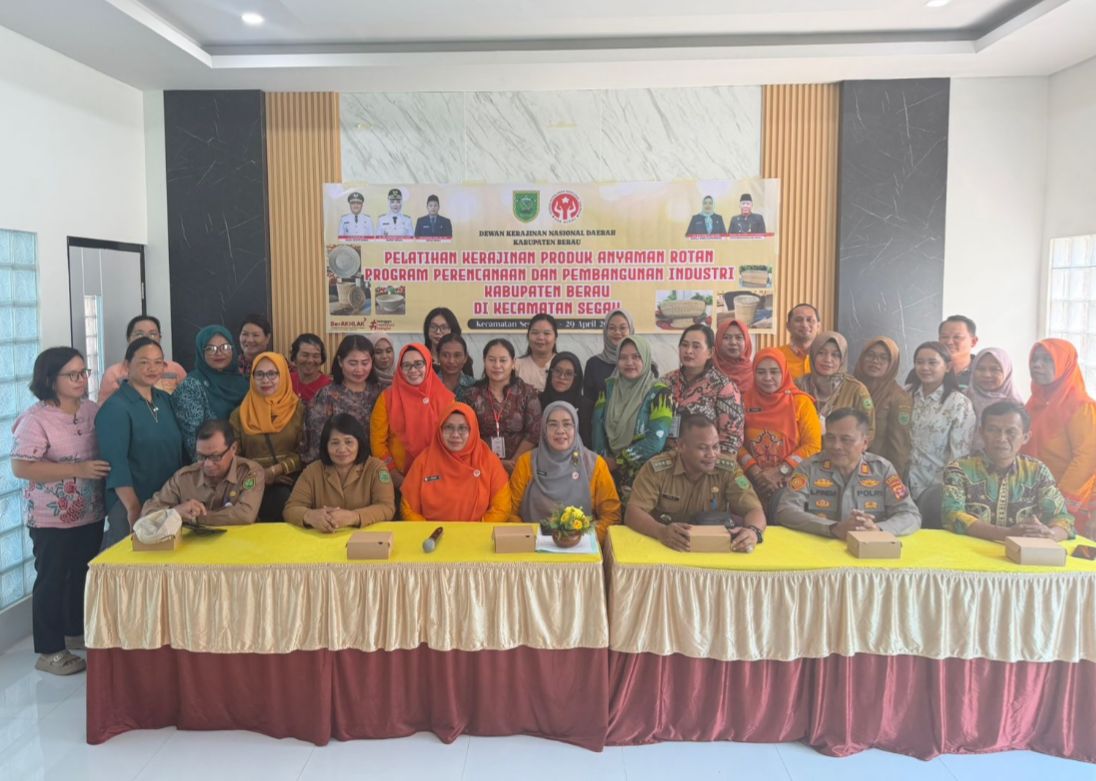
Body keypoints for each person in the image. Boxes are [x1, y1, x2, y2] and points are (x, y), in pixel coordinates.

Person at [12, 347, 108, 676]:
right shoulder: (36, 419)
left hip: (90, 511)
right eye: (72, 375)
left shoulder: (92, 411)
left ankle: (74, 631)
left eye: (84, 372)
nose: (81, 380)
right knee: (52, 578)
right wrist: (77, 470)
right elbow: (22, 467)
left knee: (81, 573)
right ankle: (50, 650)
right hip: (51, 517)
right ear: (51, 379)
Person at [625, 415, 766, 553]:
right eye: (703, 448)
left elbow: (754, 509)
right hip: (664, 547)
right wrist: (661, 531)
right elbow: (633, 512)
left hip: (711, 549)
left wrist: (753, 532)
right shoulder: (657, 469)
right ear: (681, 446)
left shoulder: (728, 469)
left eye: (716, 446)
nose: (711, 454)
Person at [96, 337, 186, 548]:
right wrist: (133, 508)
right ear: (127, 365)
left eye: (158, 362)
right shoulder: (115, 408)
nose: (152, 368)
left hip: (166, 500)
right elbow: (115, 464)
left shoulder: (164, 399)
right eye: (144, 362)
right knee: (132, 561)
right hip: (132, 504)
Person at [776, 408, 921, 538]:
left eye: (846, 440)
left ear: (865, 443)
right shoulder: (809, 467)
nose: (836, 446)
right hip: (818, 549)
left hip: (869, 550)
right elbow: (786, 510)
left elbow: (910, 515)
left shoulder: (882, 470)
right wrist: (832, 528)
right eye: (830, 438)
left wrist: (878, 529)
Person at [943, 401, 1074, 542]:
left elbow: (1063, 518)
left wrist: (1050, 534)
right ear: (981, 433)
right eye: (993, 430)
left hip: (1024, 552)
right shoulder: (959, 469)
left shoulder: (1037, 472)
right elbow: (952, 515)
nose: (1001, 439)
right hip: (969, 550)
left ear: (1025, 437)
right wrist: (1006, 534)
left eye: (1011, 432)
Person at [510, 402, 620, 542]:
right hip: (533, 544)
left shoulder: (594, 464)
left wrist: (581, 538)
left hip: (580, 546)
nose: (560, 430)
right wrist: (531, 538)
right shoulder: (526, 463)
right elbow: (510, 511)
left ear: (576, 428)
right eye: (553, 424)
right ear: (544, 429)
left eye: (567, 424)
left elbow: (612, 516)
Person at [1023, 339, 1096, 535]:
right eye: (1034, 359)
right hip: (1033, 495)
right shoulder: (1035, 402)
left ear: (1065, 364)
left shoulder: (1081, 406)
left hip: (1063, 503)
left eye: (1047, 359)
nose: (1037, 364)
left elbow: (1086, 459)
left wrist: (1056, 500)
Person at [738, 348, 822, 510]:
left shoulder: (801, 403)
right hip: (751, 482)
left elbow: (813, 445)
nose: (767, 378)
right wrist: (756, 472)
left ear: (784, 371)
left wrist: (781, 471)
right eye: (761, 372)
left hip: (793, 482)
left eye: (774, 372)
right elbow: (735, 442)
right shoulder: (743, 401)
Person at [401, 402, 511, 522]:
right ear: (440, 429)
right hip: (433, 533)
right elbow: (409, 509)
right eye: (449, 427)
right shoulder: (424, 461)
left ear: (473, 430)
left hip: (477, 532)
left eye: (462, 428)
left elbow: (501, 508)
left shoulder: (489, 461)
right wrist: (428, 531)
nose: (455, 435)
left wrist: (477, 531)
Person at [906, 341, 976, 526]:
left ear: (948, 367)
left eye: (932, 362)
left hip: (936, 489)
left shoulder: (959, 403)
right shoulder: (906, 394)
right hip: (901, 484)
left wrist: (947, 489)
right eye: (920, 362)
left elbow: (959, 455)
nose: (925, 367)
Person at [284, 414, 396, 530]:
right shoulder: (313, 471)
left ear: (359, 443)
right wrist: (310, 516)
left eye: (348, 442)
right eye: (335, 443)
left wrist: (354, 517)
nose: (342, 449)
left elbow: (387, 508)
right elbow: (291, 509)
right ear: (326, 446)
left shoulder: (376, 468)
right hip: (323, 538)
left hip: (365, 537)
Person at [142, 420, 264, 525]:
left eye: (215, 457)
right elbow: (147, 514)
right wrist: (176, 512)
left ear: (233, 448)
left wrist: (194, 517)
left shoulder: (250, 472)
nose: (207, 464)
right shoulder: (183, 478)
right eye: (201, 457)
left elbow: (245, 515)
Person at [591, 335, 673, 490]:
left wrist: (618, 462)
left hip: (646, 478)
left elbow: (655, 442)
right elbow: (597, 427)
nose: (629, 363)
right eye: (623, 357)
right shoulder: (608, 388)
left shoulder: (660, 393)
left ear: (646, 359)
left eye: (636, 357)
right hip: (607, 473)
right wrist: (603, 462)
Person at [229, 352, 303, 521]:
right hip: (251, 483)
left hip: (291, 481)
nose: (265, 380)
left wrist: (275, 470)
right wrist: (260, 474)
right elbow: (233, 457)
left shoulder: (297, 409)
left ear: (283, 375)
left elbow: (305, 452)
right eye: (260, 374)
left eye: (272, 374)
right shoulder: (239, 414)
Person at [370, 342, 455, 488]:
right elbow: (377, 443)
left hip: (439, 477)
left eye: (418, 364)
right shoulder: (387, 398)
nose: (413, 370)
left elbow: (453, 439)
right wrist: (396, 477)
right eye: (406, 365)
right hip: (398, 479)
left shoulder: (446, 399)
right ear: (399, 368)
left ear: (428, 364)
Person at [463, 339, 541, 473]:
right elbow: (466, 433)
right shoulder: (471, 395)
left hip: (520, 465)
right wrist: (495, 463)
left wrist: (514, 461)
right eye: (491, 360)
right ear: (484, 361)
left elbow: (534, 433)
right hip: (482, 465)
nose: (497, 365)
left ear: (513, 363)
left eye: (503, 360)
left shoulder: (527, 393)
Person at [664, 324, 744, 455]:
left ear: (710, 352)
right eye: (684, 345)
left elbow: (731, 440)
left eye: (696, 346)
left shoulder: (723, 386)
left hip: (706, 461)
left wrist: (712, 463)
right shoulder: (666, 381)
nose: (688, 351)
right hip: (667, 459)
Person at [172, 325, 250, 459]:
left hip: (246, 462)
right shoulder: (191, 386)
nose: (219, 353)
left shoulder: (243, 383)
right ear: (200, 352)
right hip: (210, 464)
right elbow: (193, 442)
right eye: (210, 348)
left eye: (225, 347)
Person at [303, 335, 381, 464]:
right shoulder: (327, 395)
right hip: (336, 466)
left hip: (373, 466)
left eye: (365, 363)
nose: (359, 369)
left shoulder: (379, 393)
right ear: (340, 361)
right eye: (353, 363)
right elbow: (317, 442)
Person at [796, 331, 875, 438]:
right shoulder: (799, 385)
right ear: (813, 354)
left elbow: (869, 429)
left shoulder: (856, 390)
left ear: (842, 359)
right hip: (805, 447)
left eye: (835, 355)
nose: (828, 359)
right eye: (821, 353)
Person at [853, 337, 913, 479]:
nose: (875, 361)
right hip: (846, 469)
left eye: (883, 358)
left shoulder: (898, 398)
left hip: (877, 474)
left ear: (892, 363)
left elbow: (899, 447)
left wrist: (893, 481)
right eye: (870, 355)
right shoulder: (850, 388)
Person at [98, 314, 187, 403]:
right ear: (128, 338)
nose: (146, 338)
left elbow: (186, 402)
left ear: (160, 338)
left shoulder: (176, 369)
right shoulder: (113, 373)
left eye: (152, 334)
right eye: (139, 334)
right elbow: (105, 407)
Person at [965, 348, 1024, 453]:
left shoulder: (1015, 405)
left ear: (1006, 371)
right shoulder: (962, 399)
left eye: (994, 369)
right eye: (981, 369)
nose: (987, 374)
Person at [539, 352, 594, 445]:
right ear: (551, 373)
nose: (562, 377)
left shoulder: (586, 407)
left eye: (569, 373)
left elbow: (588, 443)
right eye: (557, 371)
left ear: (576, 378)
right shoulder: (537, 401)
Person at [583, 309, 634, 403]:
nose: (617, 332)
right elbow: (588, 402)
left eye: (622, 328)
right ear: (605, 331)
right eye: (612, 328)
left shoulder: (642, 364)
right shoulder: (593, 364)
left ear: (631, 330)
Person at [514, 313, 558, 391]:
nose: (540, 337)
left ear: (555, 338)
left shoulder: (564, 364)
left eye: (547, 333)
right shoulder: (516, 365)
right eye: (535, 333)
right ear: (528, 336)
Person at [422, 306, 473, 375]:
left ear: (453, 330)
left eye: (444, 327)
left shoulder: (463, 360)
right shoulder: (419, 357)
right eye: (433, 327)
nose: (438, 332)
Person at [938, 315, 979, 391]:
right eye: (944, 337)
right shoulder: (928, 370)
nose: (949, 342)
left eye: (957, 337)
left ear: (973, 341)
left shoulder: (983, 373)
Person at [780, 303, 820, 380]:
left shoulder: (828, 358)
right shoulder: (776, 356)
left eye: (809, 320)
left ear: (818, 326)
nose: (804, 325)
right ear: (788, 326)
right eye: (798, 320)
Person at [289, 333, 332, 403]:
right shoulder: (286, 381)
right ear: (294, 357)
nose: (310, 360)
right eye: (305, 355)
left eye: (316, 356)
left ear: (321, 359)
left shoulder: (329, 386)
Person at [713, 318, 754, 394]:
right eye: (726, 337)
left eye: (739, 337)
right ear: (718, 341)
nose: (733, 342)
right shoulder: (707, 371)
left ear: (746, 341)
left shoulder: (756, 372)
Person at [437, 333, 476, 399]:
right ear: (438, 357)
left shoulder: (475, 386)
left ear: (465, 358)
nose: (451, 361)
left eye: (457, 355)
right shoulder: (428, 384)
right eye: (445, 355)